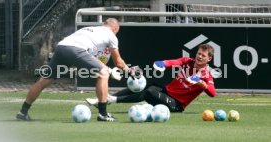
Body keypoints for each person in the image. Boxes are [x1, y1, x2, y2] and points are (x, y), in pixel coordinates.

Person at [16, 18, 130, 122]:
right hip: (76, 50)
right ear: (115, 28)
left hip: (61, 47)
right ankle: (103, 114)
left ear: (103, 24)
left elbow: (88, 57)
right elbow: (118, 62)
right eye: (116, 31)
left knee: (44, 81)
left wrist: (109, 70)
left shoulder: (88, 29)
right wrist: (129, 71)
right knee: (103, 74)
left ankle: (23, 112)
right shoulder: (111, 35)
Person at [86, 44, 216, 112]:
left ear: (209, 58)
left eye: (203, 55)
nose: (199, 57)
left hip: (177, 104)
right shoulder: (188, 61)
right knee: (145, 85)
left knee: (149, 92)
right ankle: (104, 100)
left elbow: (212, 93)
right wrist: (163, 64)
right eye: (199, 53)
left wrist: (200, 83)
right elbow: (174, 62)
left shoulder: (206, 75)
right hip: (167, 92)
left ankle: (112, 100)